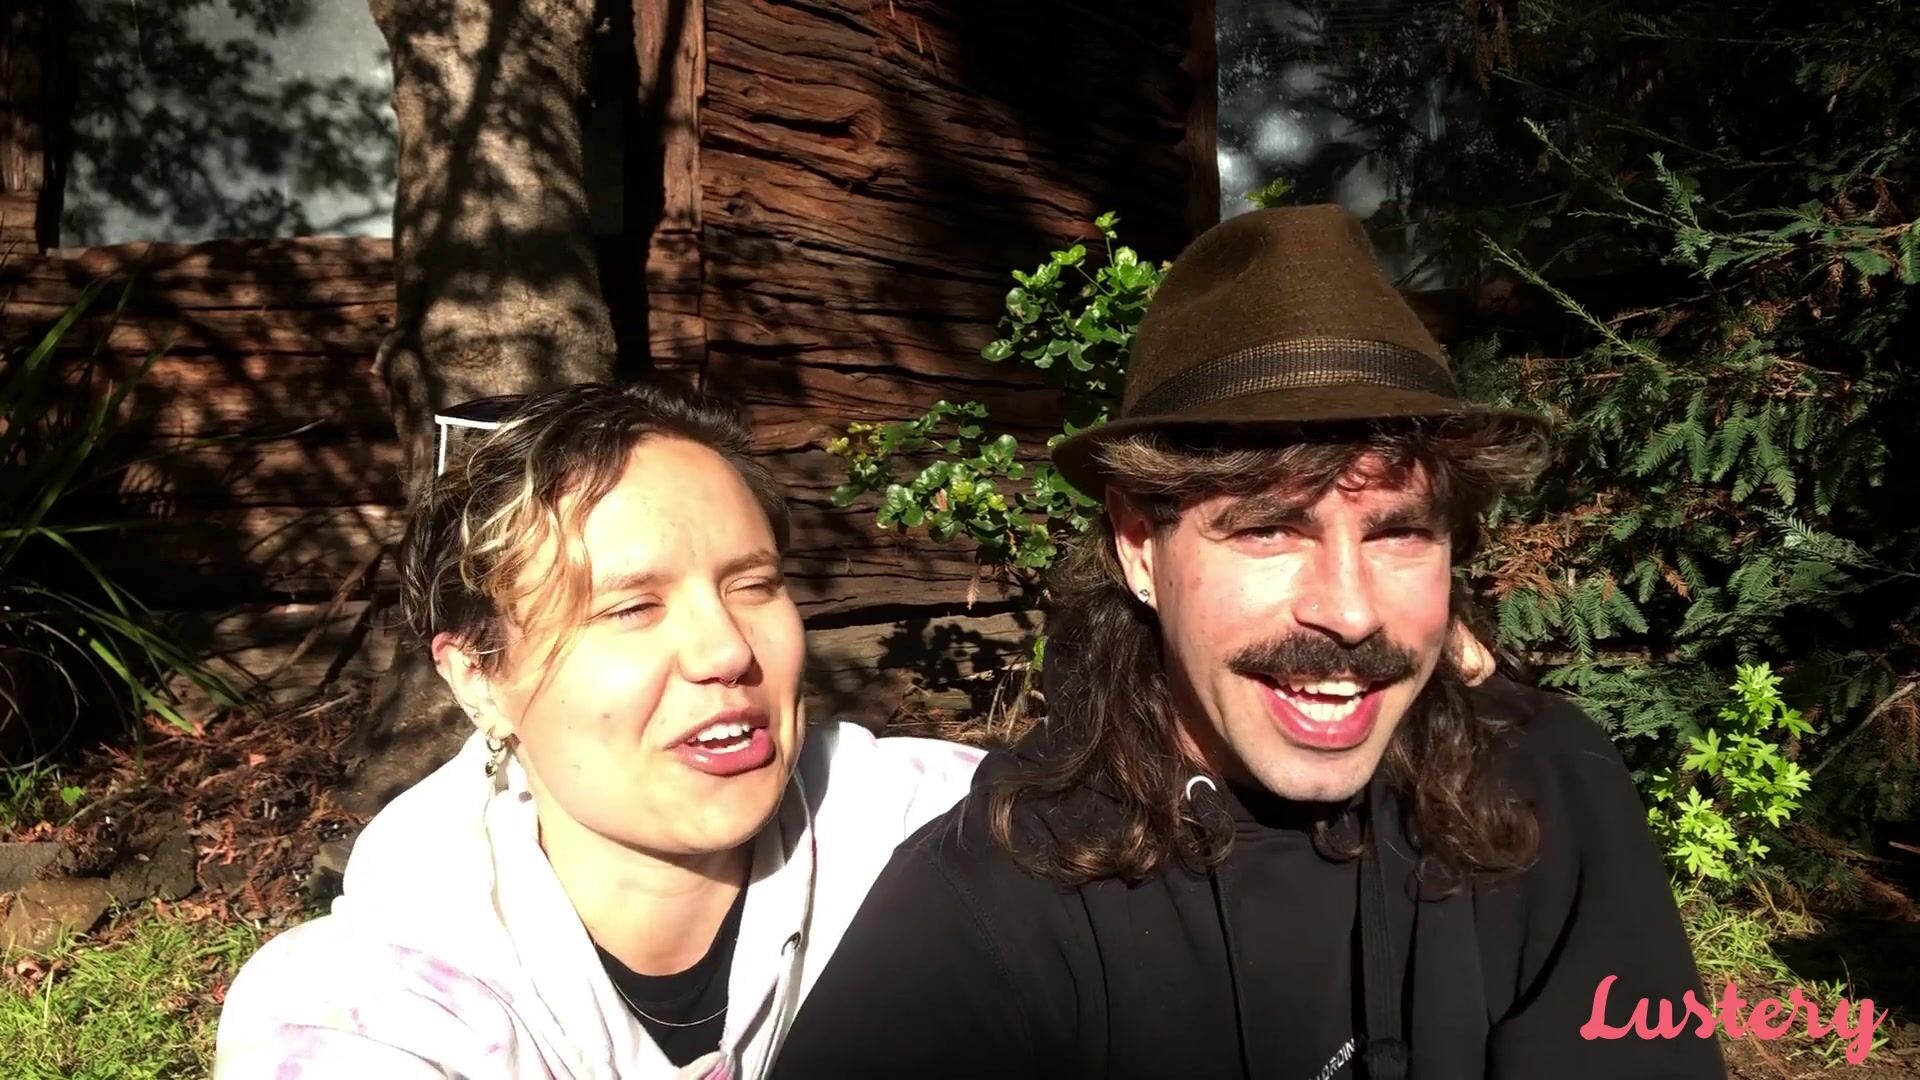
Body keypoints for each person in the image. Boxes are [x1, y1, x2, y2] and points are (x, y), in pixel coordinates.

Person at [770, 205, 1726, 1079]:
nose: (1350, 613)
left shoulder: (1542, 786)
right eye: (1270, 529)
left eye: (1398, 533)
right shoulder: (991, 918)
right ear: (1140, 547)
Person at [214, 381, 983, 1080]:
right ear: (477, 676)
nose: (726, 651)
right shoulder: (362, 1013)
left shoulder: (959, 835)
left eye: (753, 585)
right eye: (630, 608)